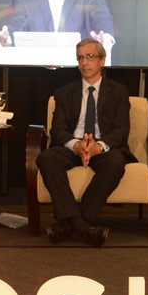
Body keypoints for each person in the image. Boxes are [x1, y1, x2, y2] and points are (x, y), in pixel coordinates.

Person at [36, 37, 132, 247]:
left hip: (103, 147)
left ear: (102, 60)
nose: (84, 63)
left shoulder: (118, 91)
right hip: (73, 146)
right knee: (46, 157)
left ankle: (70, 223)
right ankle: (82, 225)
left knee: (116, 162)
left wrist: (99, 145)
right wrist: (75, 145)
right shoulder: (63, 93)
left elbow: (121, 130)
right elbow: (58, 130)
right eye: (80, 58)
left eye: (90, 57)